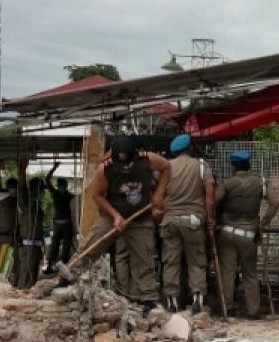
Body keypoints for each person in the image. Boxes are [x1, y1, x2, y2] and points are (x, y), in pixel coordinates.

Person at [84, 135, 170, 308]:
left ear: (136, 154)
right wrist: (115, 216)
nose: (124, 168)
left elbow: (167, 167)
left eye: (128, 164)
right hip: (112, 216)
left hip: (141, 217)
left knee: (144, 258)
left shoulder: (148, 160)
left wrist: (159, 193)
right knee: (91, 247)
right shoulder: (105, 169)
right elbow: (96, 195)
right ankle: (68, 277)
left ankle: (148, 299)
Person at [215, 151, 278, 318]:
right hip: (249, 234)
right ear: (249, 166)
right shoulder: (261, 183)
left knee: (227, 272)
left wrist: (215, 221)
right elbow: (275, 203)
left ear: (233, 167)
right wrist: (263, 223)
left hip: (227, 232)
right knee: (250, 273)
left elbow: (214, 201)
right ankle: (253, 311)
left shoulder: (227, 184)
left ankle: (226, 308)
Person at [160, 134, 215, 313]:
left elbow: (159, 196)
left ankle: (171, 300)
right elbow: (210, 197)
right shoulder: (201, 166)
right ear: (190, 148)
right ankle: (197, 297)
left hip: (170, 220)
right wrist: (210, 219)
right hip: (193, 220)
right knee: (196, 261)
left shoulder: (166, 167)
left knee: (171, 261)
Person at [14, 177, 46, 288]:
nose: (42, 192)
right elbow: (22, 189)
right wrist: (22, 170)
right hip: (27, 247)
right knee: (25, 274)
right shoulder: (26, 203)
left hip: (35, 246)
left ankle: (28, 296)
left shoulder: (37, 206)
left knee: (33, 275)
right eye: (41, 189)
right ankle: (20, 296)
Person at [43, 163, 75, 274]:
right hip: (57, 223)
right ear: (58, 186)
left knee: (66, 247)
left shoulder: (70, 196)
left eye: (63, 186)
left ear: (66, 186)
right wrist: (54, 167)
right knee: (54, 246)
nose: (62, 188)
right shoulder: (55, 193)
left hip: (67, 224)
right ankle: (49, 266)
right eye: (60, 186)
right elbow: (47, 179)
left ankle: (64, 267)